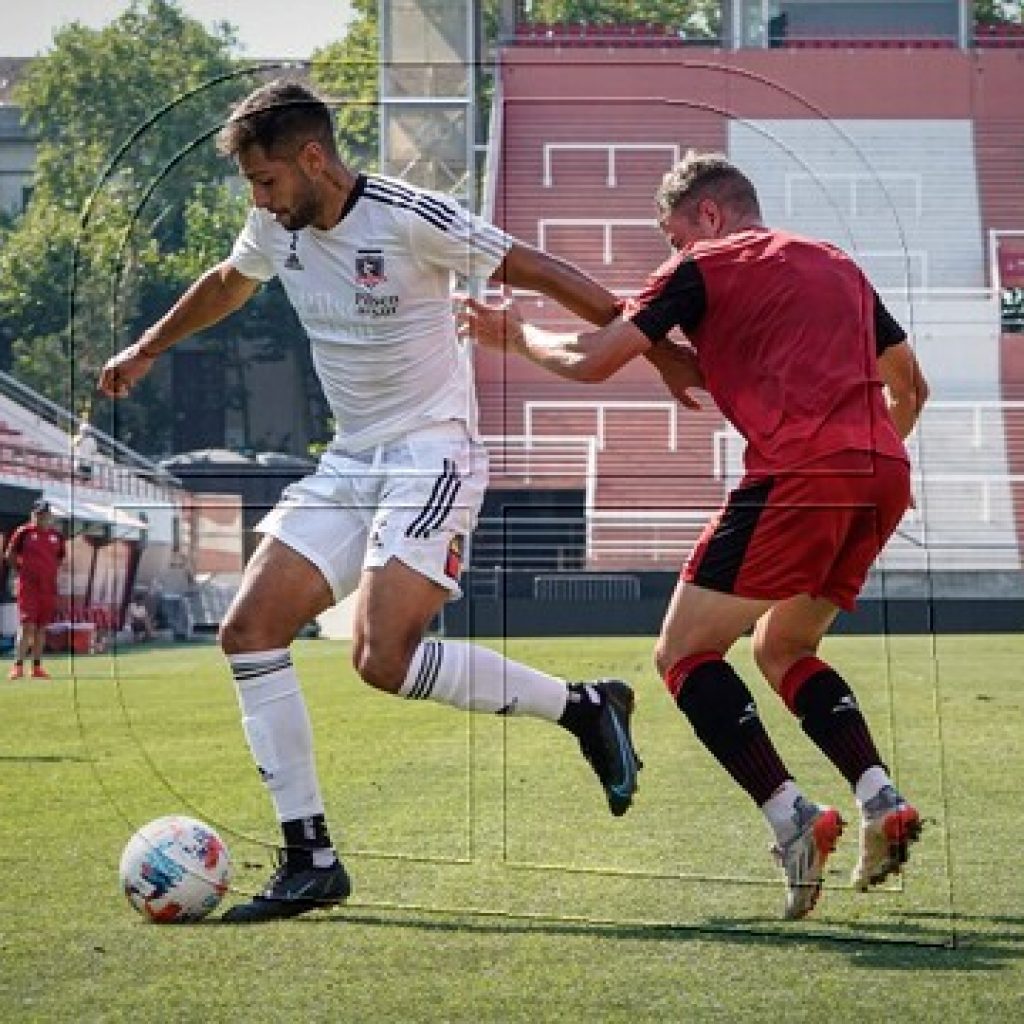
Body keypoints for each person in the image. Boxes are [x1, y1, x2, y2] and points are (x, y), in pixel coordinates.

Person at [98, 81, 641, 923]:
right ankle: (310, 857)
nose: (259, 198)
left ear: (313, 160)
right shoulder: (275, 228)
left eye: (267, 180)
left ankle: (583, 707)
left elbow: (533, 267)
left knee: (380, 659)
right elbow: (227, 283)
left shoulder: (409, 214)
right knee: (248, 632)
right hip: (350, 461)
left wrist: (640, 333)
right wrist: (145, 347)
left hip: (435, 454)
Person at [459, 151, 929, 920]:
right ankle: (881, 799)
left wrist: (517, 339)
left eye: (673, 237)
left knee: (682, 653)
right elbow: (912, 385)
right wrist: (862, 461)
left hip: (800, 477)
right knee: (784, 649)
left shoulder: (705, 263)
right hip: (883, 474)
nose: (674, 253)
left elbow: (590, 360)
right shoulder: (834, 263)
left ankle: (793, 819)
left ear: (706, 216)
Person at [5, 499, 66, 680]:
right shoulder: (23, 532)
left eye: (46, 514)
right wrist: (21, 571)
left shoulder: (57, 536)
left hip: (48, 588)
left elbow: (60, 558)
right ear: (33, 515)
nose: (43, 517)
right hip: (28, 587)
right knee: (27, 626)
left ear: (51, 516)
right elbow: (9, 555)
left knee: (41, 628)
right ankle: (17, 666)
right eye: (39, 514)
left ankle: (37, 667)